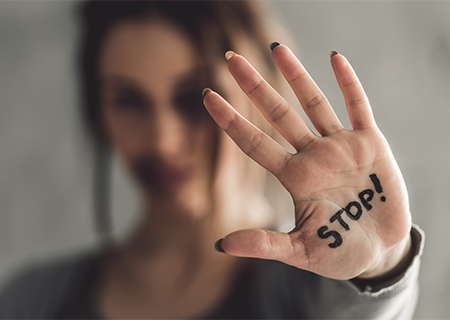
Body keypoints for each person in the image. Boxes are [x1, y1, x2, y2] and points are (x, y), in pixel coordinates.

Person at [0, 1, 424, 319]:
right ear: (98, 113)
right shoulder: (32, 301)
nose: (163, 141)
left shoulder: (307, 291)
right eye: (128, 101)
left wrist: (381, 267)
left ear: (257, 97)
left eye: (192, 99)